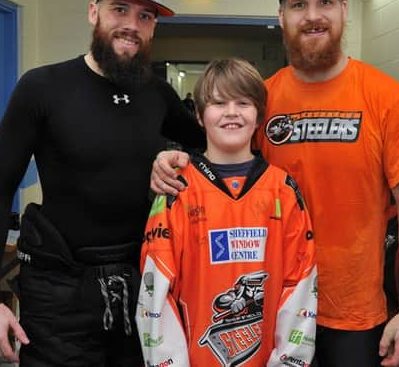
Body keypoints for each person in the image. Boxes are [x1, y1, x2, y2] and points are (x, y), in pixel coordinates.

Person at [150, 0, 399, 367]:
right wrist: (171, 160)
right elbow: (221, 167)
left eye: (325, 2)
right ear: (281, 17)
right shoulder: (260, 101)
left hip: (351, 312)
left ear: (343, 11)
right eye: (298, 5)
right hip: (270, 309)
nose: (312, 16)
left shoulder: (387, 98)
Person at [0, 0, 204, 366]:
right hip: (58, 292)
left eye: (145, 16)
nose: (132, 24)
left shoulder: (157, 95)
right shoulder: (42, 87)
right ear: (93, 12)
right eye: (120, 9)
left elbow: (210, 151)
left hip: (141, 284)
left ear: (153, 28)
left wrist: (178, 158)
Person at [136, 58, 317, 367]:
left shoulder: (283, 190)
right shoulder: (176, 189)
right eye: (219, 103)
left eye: (243, 103)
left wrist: (288, 361)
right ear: (199, 115)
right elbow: (156, 293)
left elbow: (300, 284)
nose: (231, 112)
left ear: (259, 114)